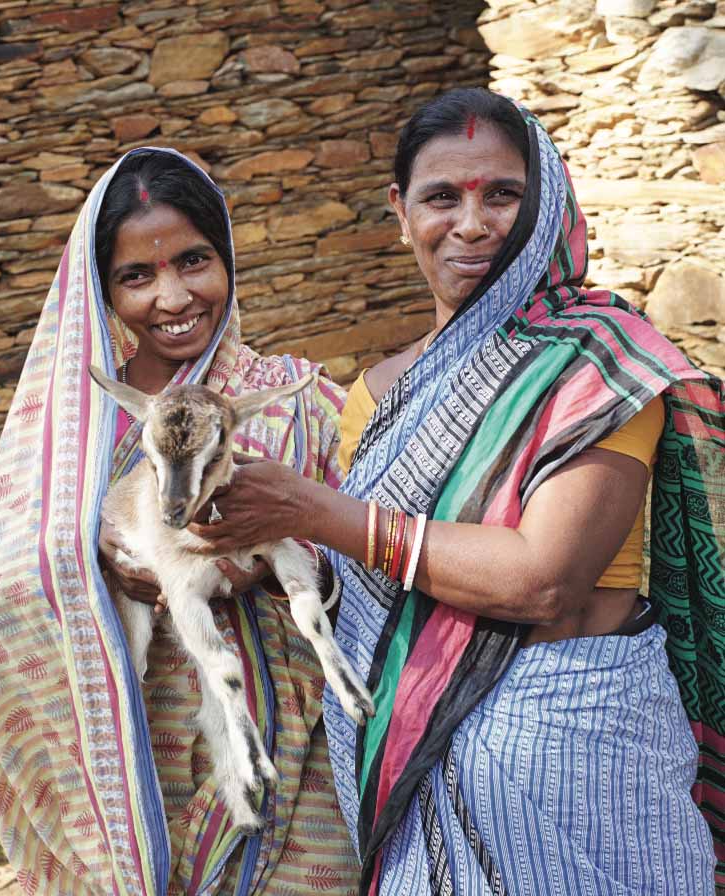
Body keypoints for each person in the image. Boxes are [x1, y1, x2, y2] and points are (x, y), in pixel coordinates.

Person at [196, 88, 724, 895]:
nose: (471, 225)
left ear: (548, 206)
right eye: (442, 196)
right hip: (410, 756)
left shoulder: (602, 364)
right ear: (400, 212)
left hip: (573, 757)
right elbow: (371, 583)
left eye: (503, 195)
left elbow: (542, 580)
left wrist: (311, 509)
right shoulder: (377, 393)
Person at [0, 148, 361, 894]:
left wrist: (269, 563)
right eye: (137, 276)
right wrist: (86, 561)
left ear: (228, 256)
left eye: (195, 261)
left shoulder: (300, 401)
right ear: (101, 289)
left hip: (301, 771)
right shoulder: (70, 434)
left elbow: (374, 566)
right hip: (129, 779)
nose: (173, 297)